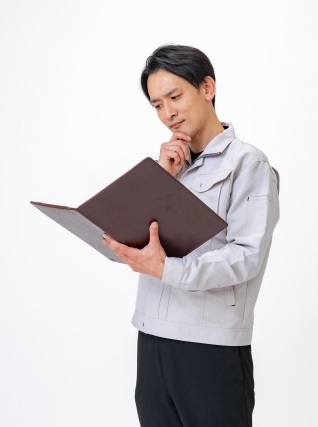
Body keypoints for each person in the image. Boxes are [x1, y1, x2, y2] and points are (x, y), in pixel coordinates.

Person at [102, 44, 280, 427]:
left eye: (175, 96)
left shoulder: (249, 163)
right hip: (152, 338)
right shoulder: (170, 165)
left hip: (210, 347)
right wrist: (160, 179)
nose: (168, 113)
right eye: (157, 105)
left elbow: (246, 256)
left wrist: (167, 269)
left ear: (207, 88)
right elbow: (141, 240)